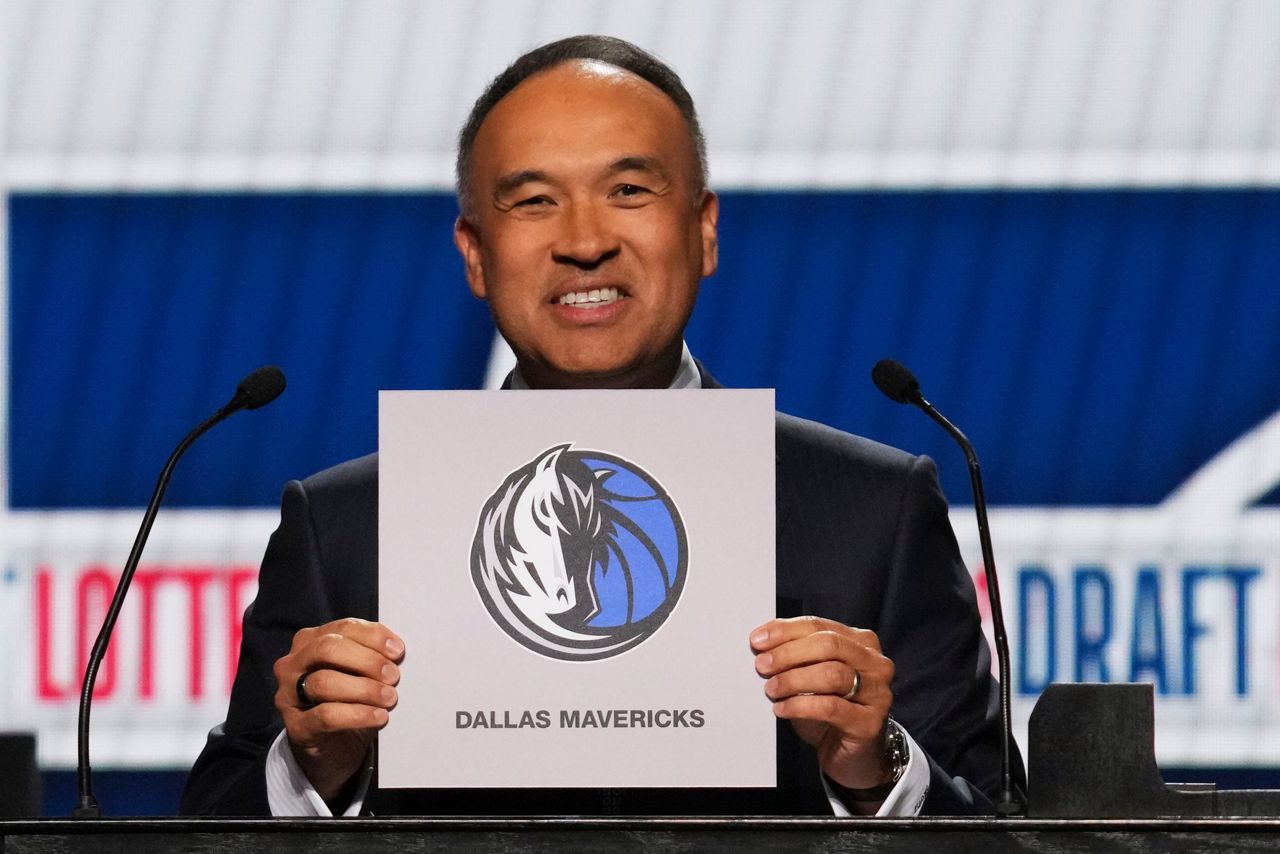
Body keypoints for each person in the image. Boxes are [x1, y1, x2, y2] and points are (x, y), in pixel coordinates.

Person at [181, 34, 1020, 818]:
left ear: (704, 230)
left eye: (628, 191)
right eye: (534, 200)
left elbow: (1006, 827)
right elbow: (208, 829)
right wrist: (315, 765)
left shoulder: (872, 512)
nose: (584, 242)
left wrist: (875, 765)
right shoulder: (345, 527)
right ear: (474, 254)